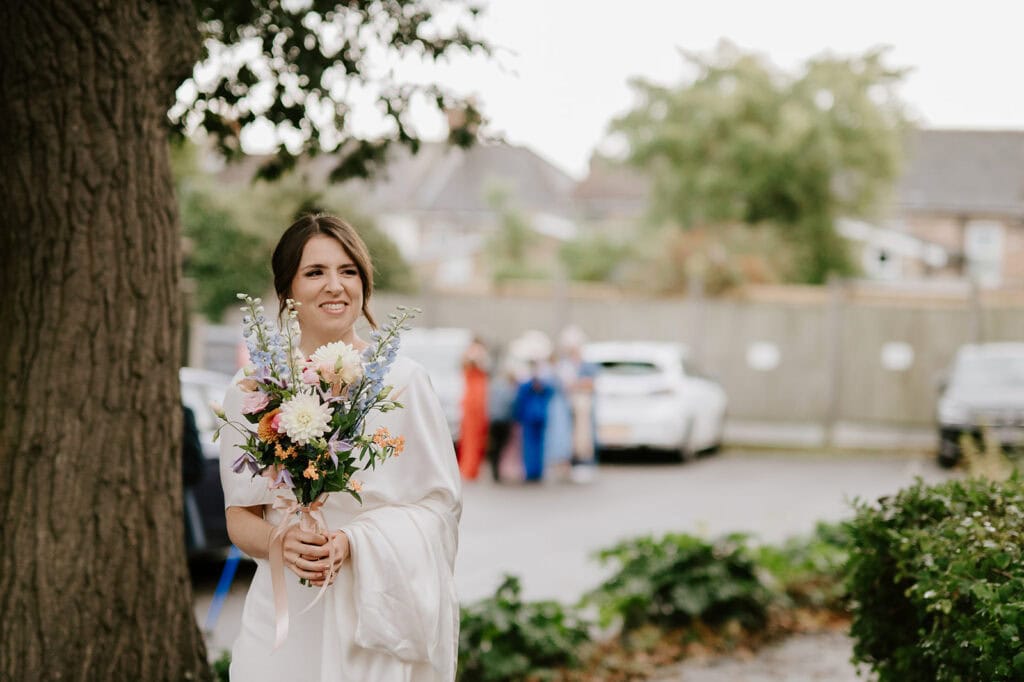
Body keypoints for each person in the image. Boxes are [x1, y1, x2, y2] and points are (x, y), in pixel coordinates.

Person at [219, 214, 461, 681]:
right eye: (316, 272)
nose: (336, 286)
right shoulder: (252, 389)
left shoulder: (402, 382)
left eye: (348, 271)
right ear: (287, 289)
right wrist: (280, 540)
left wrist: (354, 543)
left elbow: (439, 506)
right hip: (283, 614)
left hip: (372, 613)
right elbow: (239, 516)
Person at [513, 361, 553, 482]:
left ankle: (538, 471)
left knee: (539, 446)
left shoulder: (544, 382)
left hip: (539, 417)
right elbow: (520, 397)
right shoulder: (526, 383)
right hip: (529, 418)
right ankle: (530, 472)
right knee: (529, 446)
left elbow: (550, 392)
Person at [457, 336, 489, 480]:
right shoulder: (469, 357)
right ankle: (469, 467)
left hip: (476, 397)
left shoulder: (479, 358)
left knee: (476, 435)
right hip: (473, 398)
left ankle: (472, 467)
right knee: (470, 435)